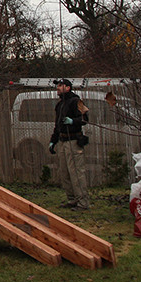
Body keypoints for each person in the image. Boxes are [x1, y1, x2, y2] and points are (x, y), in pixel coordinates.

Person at [48, 79, 91, 209]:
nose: (58, 88)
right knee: (65, 172)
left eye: (60, 86)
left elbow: (84, 119)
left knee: (76, 173)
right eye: (57, 86)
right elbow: (57, 125)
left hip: (73, 141)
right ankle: (72, 199)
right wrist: (53, 141)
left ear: (68, 87)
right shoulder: (60, 105)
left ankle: (83, 202)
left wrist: (73, 121)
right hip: (62, 141)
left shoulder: (76, 101)